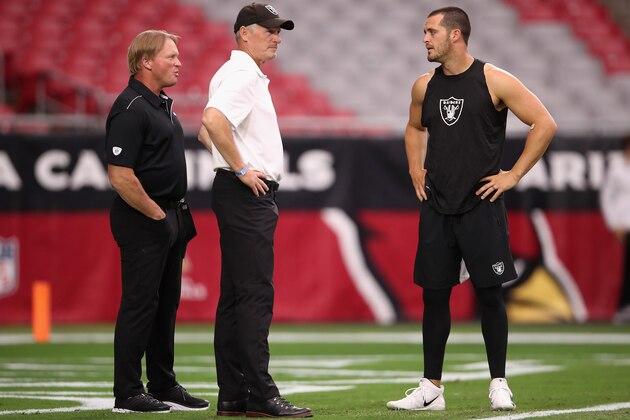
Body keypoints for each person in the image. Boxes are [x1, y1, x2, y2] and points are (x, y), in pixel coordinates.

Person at [386, 7, 557, 412]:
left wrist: (512, 175)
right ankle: (431, 388)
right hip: (437, 205)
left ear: (456, 35)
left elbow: (544, 123)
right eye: (424, 32)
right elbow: (414, 127)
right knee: (434, 295)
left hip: (482, 204)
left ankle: (498, 382)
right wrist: (414, 165)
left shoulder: (494, 79)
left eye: (431, 32)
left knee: (490, 295)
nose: (424, 39)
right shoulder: (423, 86)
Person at [198, 3, 312, 418]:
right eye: (269, 30)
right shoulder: (244, 74)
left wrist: (233, 164)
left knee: (234, 298)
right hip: (246, 194)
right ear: (244, 33)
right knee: (254, 296)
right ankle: (261, 394)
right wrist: (243, 168)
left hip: (234, 191)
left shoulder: (233, 73)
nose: (277, 37)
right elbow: (211, 119)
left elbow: (204, 128)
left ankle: (234, 394)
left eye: (279, 30)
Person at [106, 29, 208, 414]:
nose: (179, 62)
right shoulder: (129, 107)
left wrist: (171, 218)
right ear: (146, 61)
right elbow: (119, 175)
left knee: (165, 306)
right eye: (171, 56)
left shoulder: (161, 104)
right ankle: (128, 392)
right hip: (145, 218)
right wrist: (156, 214)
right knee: (140, 305)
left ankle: (163, 383)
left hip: (171, 214)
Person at [600, 135, 630, 324]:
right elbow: (607, 197)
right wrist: (614, 223)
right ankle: (624, 307)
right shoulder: (616, 166)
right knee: (628, 269)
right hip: (625, 224)